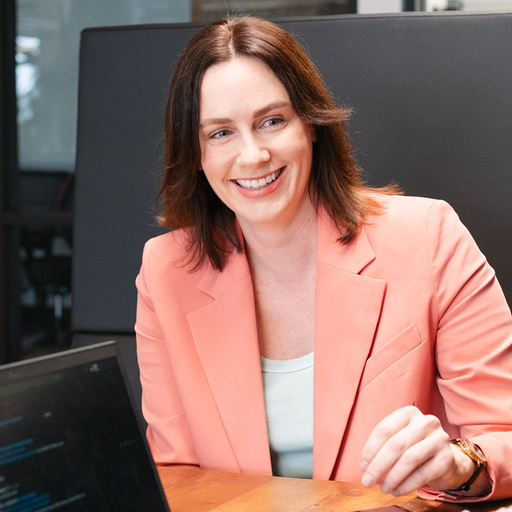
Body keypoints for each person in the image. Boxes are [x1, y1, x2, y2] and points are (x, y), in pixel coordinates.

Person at [135, 16, 512, 502]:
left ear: (311, 125)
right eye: (220, 133)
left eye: (272, 121)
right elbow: (175, 476)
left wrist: (461, 463)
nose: (252, 156)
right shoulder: (165, 270)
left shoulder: (429, 237)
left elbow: (504, 431)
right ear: (196, 154)